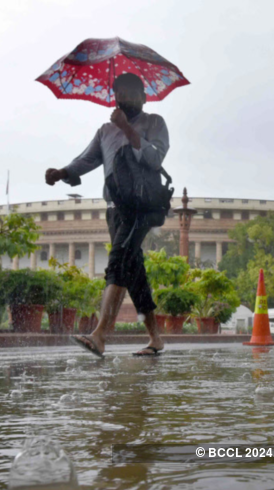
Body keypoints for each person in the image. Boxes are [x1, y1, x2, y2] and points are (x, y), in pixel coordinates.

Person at [45, 73, 169, 358]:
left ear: (144, 96)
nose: (124, 98)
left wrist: (128, 129)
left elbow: (155, 158)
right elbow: (87, 159)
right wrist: (63, 172)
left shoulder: (155, 123)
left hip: (142, 207)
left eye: (131, 92)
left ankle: (100, 335)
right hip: (115, 209)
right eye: (119, 93)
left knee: (120, 260)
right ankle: (155, 339)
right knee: (133, 271)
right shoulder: (105, 130)